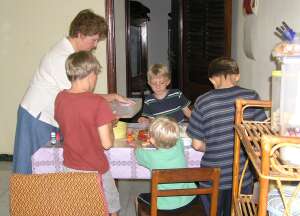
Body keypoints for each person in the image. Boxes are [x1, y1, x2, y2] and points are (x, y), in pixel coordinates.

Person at [12, 9, 132, 174]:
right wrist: (109, 100)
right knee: (33, 169)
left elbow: (78, 97)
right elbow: (77, 97)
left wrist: (111, 97)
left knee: (48, 169)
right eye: (94, 40)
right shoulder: (62, 57)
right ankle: (28, 200)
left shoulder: (70, 54)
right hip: (37, 117)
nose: (95, 45)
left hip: (46, 115)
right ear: (80, 34)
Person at [186, 57, 267, 216]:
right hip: (242, 176)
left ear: (212, 79)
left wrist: (216, 146)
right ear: (236, 76)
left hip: (213, 176)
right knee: (239, 211)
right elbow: (260, 132)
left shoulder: (202, 101)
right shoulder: (251, 97)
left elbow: (196, 144)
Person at [55, 51, 120, 216]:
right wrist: (110, 125)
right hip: (95, 169)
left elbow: (75, 122)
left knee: (79, 209)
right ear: (91, 74)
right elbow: (107, 143)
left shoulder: (60, 98)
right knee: (111, 208)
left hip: (69, 166)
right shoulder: (98, 103)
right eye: (96, 74)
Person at [135, 116, 198, 212]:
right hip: (188, 199)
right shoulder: (179, 144)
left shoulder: (151, 156)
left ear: (152, 140)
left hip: (164, 205)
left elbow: (137, 152)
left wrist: (138, 143)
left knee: (137, 199)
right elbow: (176, 140)